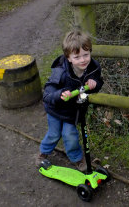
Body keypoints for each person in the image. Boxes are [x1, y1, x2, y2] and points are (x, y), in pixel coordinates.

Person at [36, 30, 103, 171]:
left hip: (73, 111)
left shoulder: (93, 68)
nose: (83, 60)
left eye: (86, 55)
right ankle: (43, 153)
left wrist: (94, 83)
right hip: (55, 109)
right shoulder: (60, 72)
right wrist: (60, 93)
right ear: (69, 58)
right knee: (54, 134)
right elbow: (47, 94)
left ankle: (77, 159)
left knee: (70, 135)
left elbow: (98, 82)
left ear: (90, 52)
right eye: (77, 57)